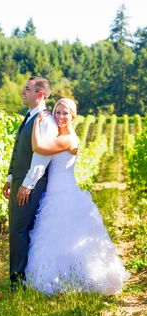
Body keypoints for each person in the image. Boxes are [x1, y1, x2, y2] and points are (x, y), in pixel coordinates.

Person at [25, 98, 130, 295]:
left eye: (65, 113)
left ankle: (72, 279)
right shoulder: (59, 135)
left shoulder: (68, 139)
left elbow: (38, 147)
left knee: (66, 235)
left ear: (73, 116)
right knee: (55, 236)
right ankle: (59, 278)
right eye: (57, 112)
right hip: (53, 192)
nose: (60, 116)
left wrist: (37, 123)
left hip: (64, 192)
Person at [3, 76, 60, 290]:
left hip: (31, 183)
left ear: (40, 94)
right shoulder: (30, 116)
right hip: (20, 179)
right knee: (19, 230)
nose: (22, 92)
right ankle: (23, 278)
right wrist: (11, 178)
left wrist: (27, 184)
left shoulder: (45, 120)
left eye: (27, 89)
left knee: (19, 230)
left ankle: (18, 282)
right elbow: (19, 150)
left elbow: (41, 156)